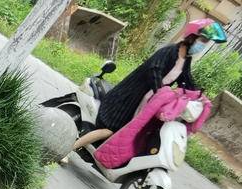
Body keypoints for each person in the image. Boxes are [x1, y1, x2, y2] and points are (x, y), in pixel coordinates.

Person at [71, 19, 227, 151]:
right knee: (111, 130)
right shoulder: (169, 51)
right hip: (131, 96)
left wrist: (199, 97)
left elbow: (186, 81)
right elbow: (154, 70)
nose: (203, 45)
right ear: (192, 37)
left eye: (206, 43)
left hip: (150, 101)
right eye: (203, 40)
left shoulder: (186, 59)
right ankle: (69, 148)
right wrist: (160, 91)